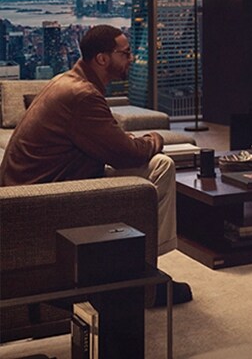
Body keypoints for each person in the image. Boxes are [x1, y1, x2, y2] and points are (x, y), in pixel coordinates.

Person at [0, 25, 192, 305]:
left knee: (159, 165)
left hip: (34, 188)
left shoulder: (67, 81)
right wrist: (156, 138)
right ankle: (146, 277)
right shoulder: (83, 95)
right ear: (102, 59)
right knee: (159, 162)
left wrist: (127, 141)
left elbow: (106, 139)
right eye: (125, 53)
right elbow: (127, 154)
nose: (131, 59)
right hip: (46, 198)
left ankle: (147, 263)